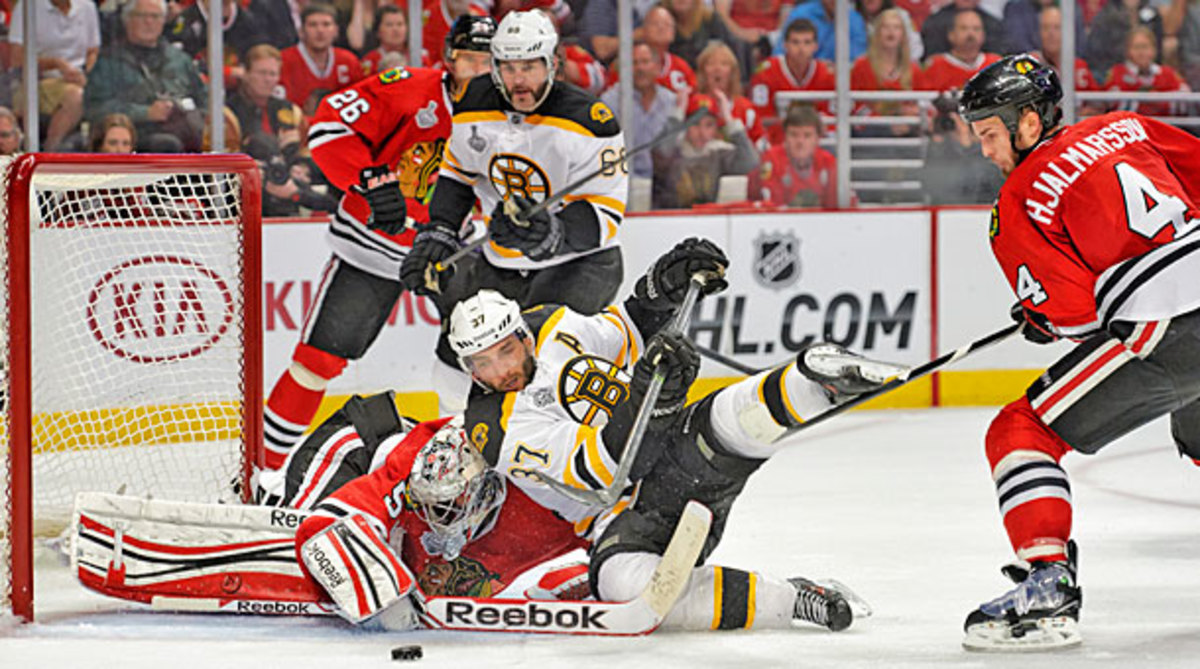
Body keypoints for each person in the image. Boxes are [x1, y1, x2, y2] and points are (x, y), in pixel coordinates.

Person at [447, 241, 908, 631]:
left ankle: (818, 379)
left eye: (505, 351)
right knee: (627, 588)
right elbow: (605, 471)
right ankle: (793, 599)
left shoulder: (554, 326)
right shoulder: (494, 428)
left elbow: (627, 329)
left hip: (674, 451)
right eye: (481, 363)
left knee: (731, 418)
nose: (499, 370)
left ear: (524, 337)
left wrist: (661, 285)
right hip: (622, 517)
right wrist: (654, 397)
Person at [957, 54, 1200, 651]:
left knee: (1021, 431)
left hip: (1166, 327)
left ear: (1029, 123)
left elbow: (1076, 316)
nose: (985, 150)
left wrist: (1042, 321)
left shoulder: (1016, 201)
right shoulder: (1128, 125)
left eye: (989, 133)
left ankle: (1047, 586)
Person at [259, 15, 497, 469]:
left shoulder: (510, 117)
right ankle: (265, 470)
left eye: (490, 61)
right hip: (373, 243)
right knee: (317, 361)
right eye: (471, 59)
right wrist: (368, 181)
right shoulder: (408, 88)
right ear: (449, 58)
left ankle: (467, 465)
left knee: (477, 359)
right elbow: (330, 128)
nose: (481, 70)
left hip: (453, 250)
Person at [398, 10, 627, 413]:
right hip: (500, 259)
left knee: (545, 358)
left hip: (581, 264)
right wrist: (439, 231)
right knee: (459, 350)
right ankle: (456, 450)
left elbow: (605, 215)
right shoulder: (472, 101)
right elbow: (457, 174)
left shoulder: (592, 122)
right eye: (508, 68)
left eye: (530, 67)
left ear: (552, 64)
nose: (519, 80)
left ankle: (560, 452)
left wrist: (551, 233)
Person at [288, 412, 592, 626]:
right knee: (295, 562)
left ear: (484, 493)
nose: (434, 518)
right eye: (429, 506)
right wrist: (386, 598)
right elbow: (321, 531)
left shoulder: (545, 494)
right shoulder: (412, 475)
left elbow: (619, 529)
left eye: (447, 507)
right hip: (354, 457)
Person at [84, 0, 208, 153]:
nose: (149, 22)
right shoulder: (108, 62)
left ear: (163, 21)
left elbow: (205, 99)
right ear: (127, 19)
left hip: (185, 132)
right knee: (167, 144)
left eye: (155, 16)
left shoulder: (180, 60)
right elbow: (94, 108)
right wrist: (146, 113)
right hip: (133, 136)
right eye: (142, 15)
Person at [6, 0, 100, 151]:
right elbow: (16, 59)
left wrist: (84, 72)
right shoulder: (27, 7)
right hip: (35, 81)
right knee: (75, 96)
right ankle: (50, 151)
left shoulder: (87, 7)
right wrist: (57, 64)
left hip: (79, 79)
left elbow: (93, 51)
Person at [651, 91, 759, 209]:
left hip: (706, 220)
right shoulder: (673, 150)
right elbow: (660, 153)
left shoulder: (717, 153)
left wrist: (728, 118)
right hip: (668, 220)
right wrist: (678, 113)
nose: (702, 133)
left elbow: (750, 162)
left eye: (709, 125)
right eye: (695, 124)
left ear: (716, 128)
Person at [601, 41, 677, 180]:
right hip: (623, 180)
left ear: (658, 67)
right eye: (634, 63)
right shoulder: (609, 101)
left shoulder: (671, 101)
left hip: (664, 182)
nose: (640, 68)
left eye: (645, 62)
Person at [751, 18, 834, 145]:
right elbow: (760, 117)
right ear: (785, 45)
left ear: (815, 46)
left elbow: (832, 119)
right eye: (795, 42)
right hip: (777, 142)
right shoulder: (765, 73)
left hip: (815, 141)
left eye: (807, 42)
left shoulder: (826, 74)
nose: (801, 49)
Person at [227, 45, 307, 166]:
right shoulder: (228, 113)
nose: (268, 79)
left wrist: (303, 167)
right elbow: (224, 159)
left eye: (273, 74)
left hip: (288, 178)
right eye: (262, 73)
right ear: (246, 74)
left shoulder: (292, 111)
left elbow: (308, 153)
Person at [748, 103, 839, 208]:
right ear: (785, 136)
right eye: (794, 135)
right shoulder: (771, 160)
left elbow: (837, 207)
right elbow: (771, 203)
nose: (800, 142)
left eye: (807, 135)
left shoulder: (828, 162)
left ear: (817, 139)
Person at [850, 8, 923, 137]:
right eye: (885, 27)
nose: (891, 32)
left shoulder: (913, 69)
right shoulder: (861, 66)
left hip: (906, 132)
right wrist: (886, 124)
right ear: (877, 33)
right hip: (870, 132)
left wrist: (910, 114)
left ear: (903, 35)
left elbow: (922, 105)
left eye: (896, 27)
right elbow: (854, 107)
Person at [280, 4, 365, 114]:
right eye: (313, 25)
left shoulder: (349, 61)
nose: (320, 30)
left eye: (326, 24)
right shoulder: (284, 61)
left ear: (336, 31)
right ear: (301, 31)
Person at [165, 0, 265, 89]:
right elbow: (179, 65)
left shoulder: (248, 21)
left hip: (239, 95)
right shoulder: (185, 21)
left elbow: (259, 60)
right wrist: (225, 72)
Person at [1104, 26, 1191, 117]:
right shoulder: (1117, 73)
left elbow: (1185, 101)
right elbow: (1113, 105)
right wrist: (1148, 101)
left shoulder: (1168, 73)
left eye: (1145, 47)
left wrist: (1159, 100)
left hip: (1163, 126)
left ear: (1154, 50)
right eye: (1136, 47)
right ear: (1128, 51)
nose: (1141, 52)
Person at [695, 41, 764, 146]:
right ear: (702, 71)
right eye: (710, 63)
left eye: (724, 64)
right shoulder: (692, 105)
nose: (717, 68)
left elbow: (759, 146)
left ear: (732, 72)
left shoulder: (746, 108)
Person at [921, 8, 1001, 93]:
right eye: (964, 28)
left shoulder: (995, 63)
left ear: (983, 35)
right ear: (951, 34)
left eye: (976, 28)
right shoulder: (935, 65)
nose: (971, 34)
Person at [920, 0, 1006, 58]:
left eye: (976, 28)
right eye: (963, 28)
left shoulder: (993, 24)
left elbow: (996, 57)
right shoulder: (935, 22)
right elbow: (932, 57)